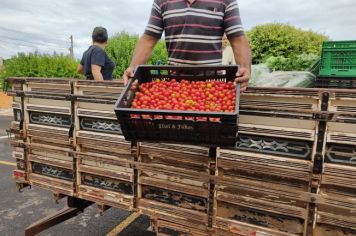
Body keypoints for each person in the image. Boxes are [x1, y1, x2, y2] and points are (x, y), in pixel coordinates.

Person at [123, 0, 251, 91]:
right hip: (175, 84)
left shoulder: (226, 1)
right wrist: (133, 67)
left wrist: (245, 69)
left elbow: (237, 39)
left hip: (213, 86)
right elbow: (149, 38)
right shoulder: (162, 1)